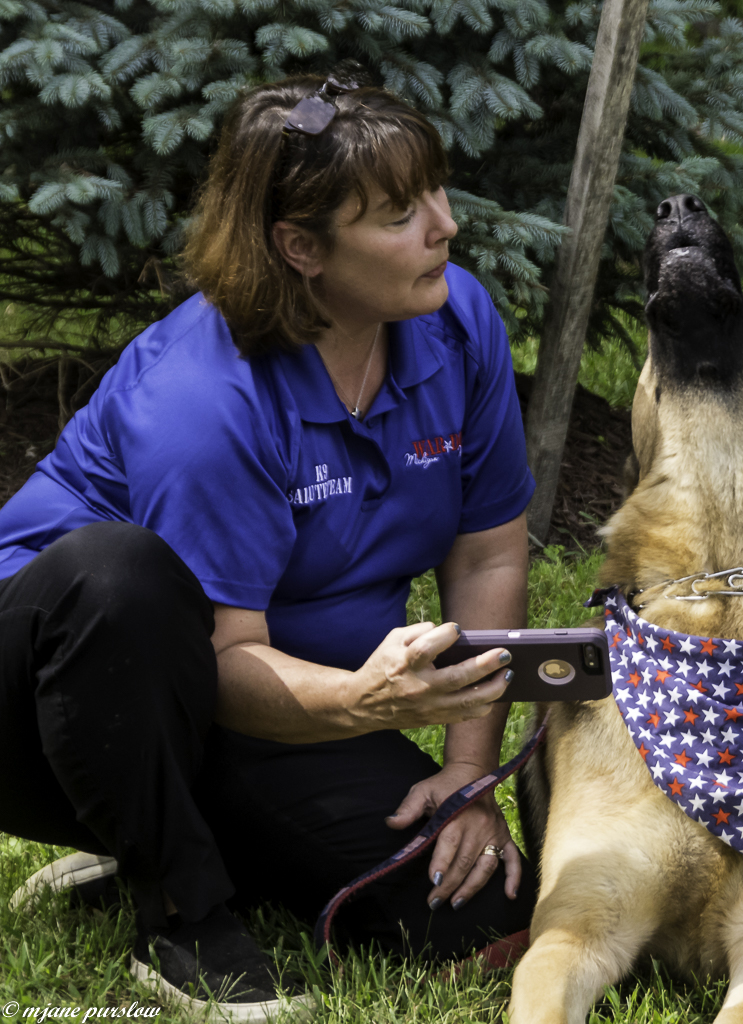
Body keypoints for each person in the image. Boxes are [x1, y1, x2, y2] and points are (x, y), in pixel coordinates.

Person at [0, 73, 537, 1020]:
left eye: (438, 194)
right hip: (50, 701)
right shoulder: (204, 399)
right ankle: (179, 908)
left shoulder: (456, 323)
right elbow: (225, 655)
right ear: (299, 247)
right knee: (116, 576)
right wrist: (365, 702)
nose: (446, 226)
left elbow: (487, 556)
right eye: (401, 213)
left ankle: (170, 823)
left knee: (469, 912)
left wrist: (465, 777)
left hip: (246, 702)